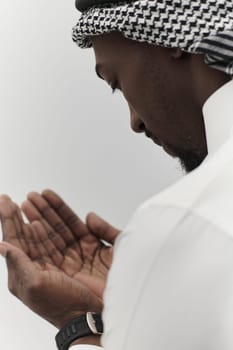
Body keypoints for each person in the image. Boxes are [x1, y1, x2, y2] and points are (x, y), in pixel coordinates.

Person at [0, 0, 233, 349]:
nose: (135, 122)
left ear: (169, 37)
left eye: (116, 82)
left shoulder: (182, 223)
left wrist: (81, 324)